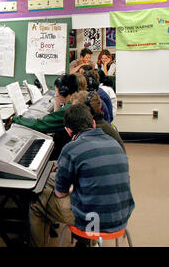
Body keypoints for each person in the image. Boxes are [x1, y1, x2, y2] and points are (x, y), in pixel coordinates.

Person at [28, 104, 134, 247]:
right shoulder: (114, 143)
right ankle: (88, 242)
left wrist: (70, 186)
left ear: (68, 130)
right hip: (122, 215)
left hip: (95, 220)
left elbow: (60, 193)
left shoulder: (71, 148)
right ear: (94, 123)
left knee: (38, 202)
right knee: (89, 193)